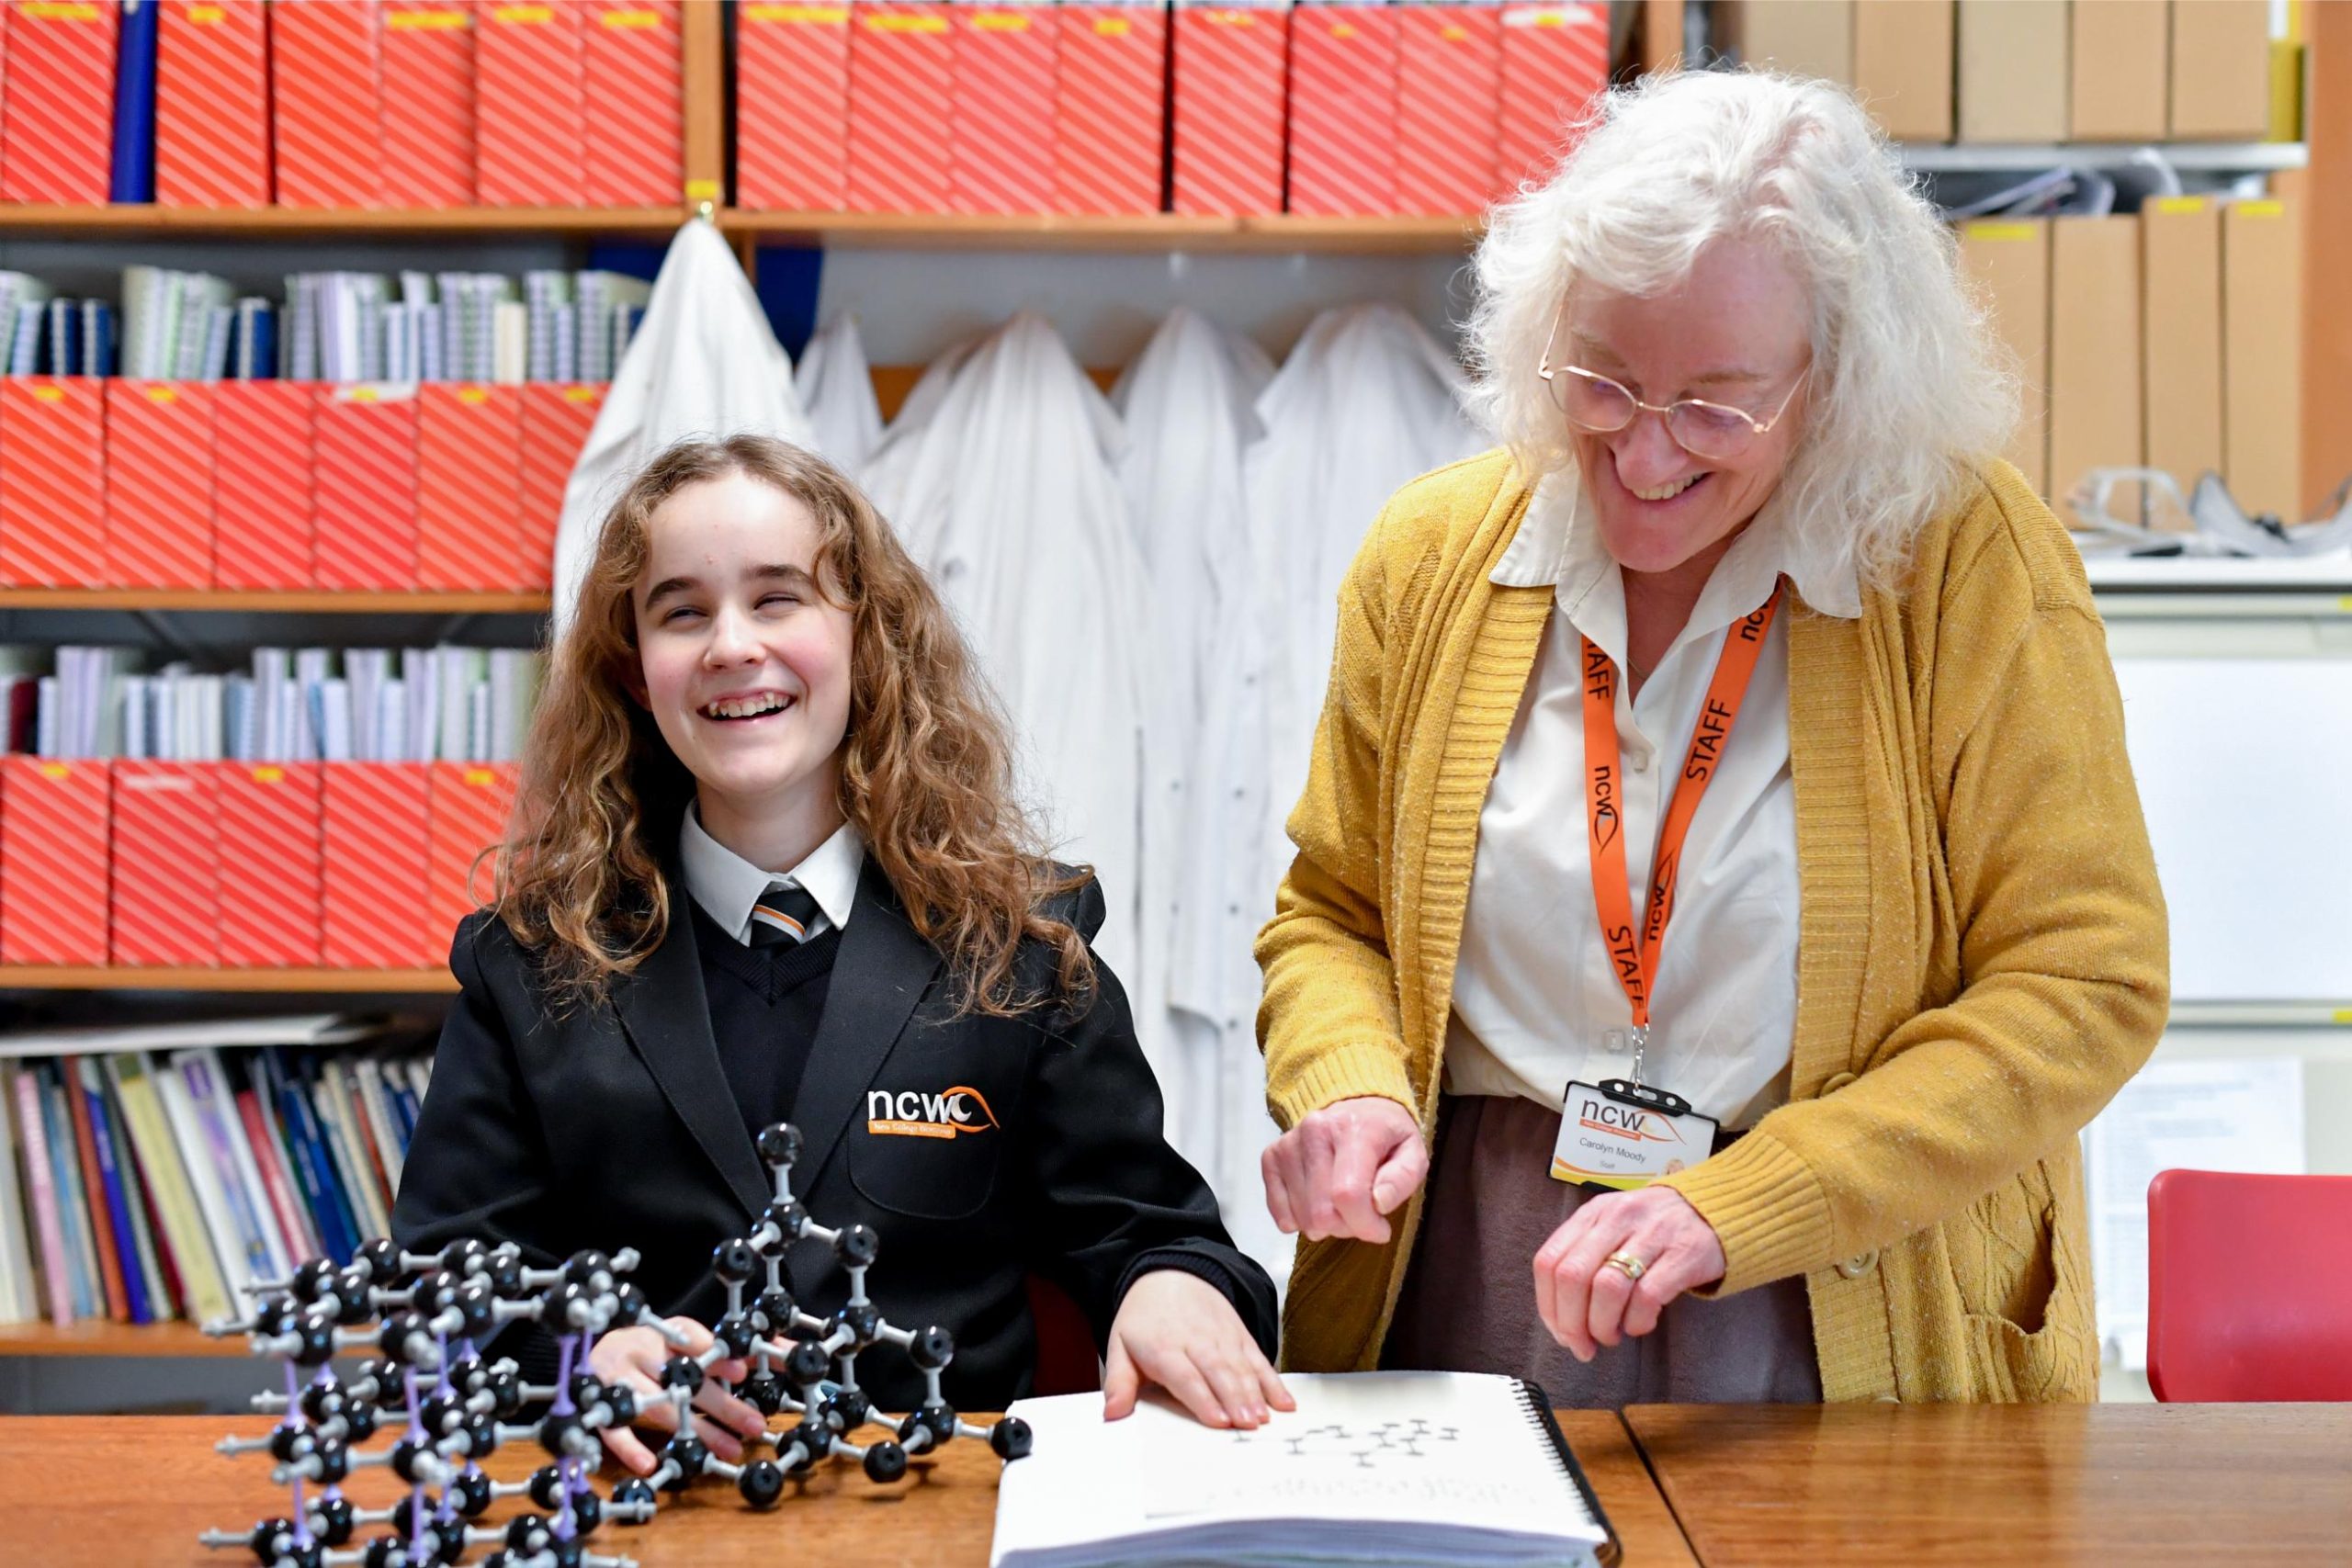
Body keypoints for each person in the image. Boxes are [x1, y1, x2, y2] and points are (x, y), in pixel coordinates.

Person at [1255, 69, 2169, 1405]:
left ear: (1840, 378)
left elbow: (2087, 980)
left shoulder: (1964, 563)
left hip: (1831, 1274)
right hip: (1477, 1256)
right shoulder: (1437, 552)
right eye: (1606, 382)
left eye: (1718, 403)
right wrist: (1351, 1086)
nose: (1645, 451)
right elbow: (1333, 910)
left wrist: (1752, 1198)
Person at [394, 434, 1287, 1475]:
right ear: (634, 674)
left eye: (778, 599)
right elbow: (444, 1284)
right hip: (644, 1509)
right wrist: (577, 1357)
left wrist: (1166, 1286)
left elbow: (1148, 1232)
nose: (732, 644)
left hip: (936, 1511)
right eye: (682, 612)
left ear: (868, 636)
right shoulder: (529, 965)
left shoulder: (1022, 945)